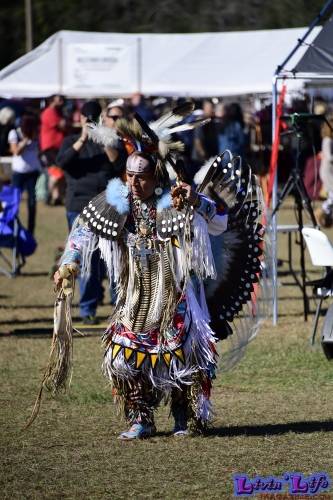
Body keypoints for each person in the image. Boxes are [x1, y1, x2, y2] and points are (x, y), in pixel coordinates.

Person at [51, 108, 264, 439]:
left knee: (179, 355)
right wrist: (69, 262)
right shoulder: (117, 200)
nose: (134, 183)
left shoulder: (176, 201)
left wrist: (197, 201)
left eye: (142, 177)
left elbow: (219, 221)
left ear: (155, 178)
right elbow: (82, 229)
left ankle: (182, 415)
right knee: (123, 355)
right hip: (136, 294)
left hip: (174, 293)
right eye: (129, 176)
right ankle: (141, 419)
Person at [56, 100, 127, 324]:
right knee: (87, 260)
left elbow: (118, 165)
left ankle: (119, 307)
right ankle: (88, 309)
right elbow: (62, 163)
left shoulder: (109, 141)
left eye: (94, 117)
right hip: (78, 207)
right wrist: (83, 138)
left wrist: (102, 138)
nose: (90, 121)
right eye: (86, 117)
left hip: (107, 206)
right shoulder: (70, 141)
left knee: (113, 258)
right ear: (80, 119)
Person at [8, 114, 41, 235]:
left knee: (32, 203)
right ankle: (13, 229)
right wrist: (26, 140)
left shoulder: (36, 135)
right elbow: (16, 151)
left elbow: (39, 151)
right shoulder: (14, 134)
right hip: (19, 174)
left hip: (32, 173)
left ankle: (30, 231)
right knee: (14, 203)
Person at [39, 95, 67, 205]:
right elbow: (62, 125)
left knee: (57, 173)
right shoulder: (49, 112)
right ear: (52, 100)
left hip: (56, 147)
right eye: (59, 98)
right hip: (50, 147)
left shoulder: (56, 111)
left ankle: (57, 198)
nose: (62, 100)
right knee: (56, 173)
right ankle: (48, 195)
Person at [315, 116, 333, 227]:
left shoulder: (329, 140)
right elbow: (329, 157)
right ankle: (320, 211)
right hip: (327, 172)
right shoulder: (328, 140)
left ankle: (326, 216)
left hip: (329, 171)